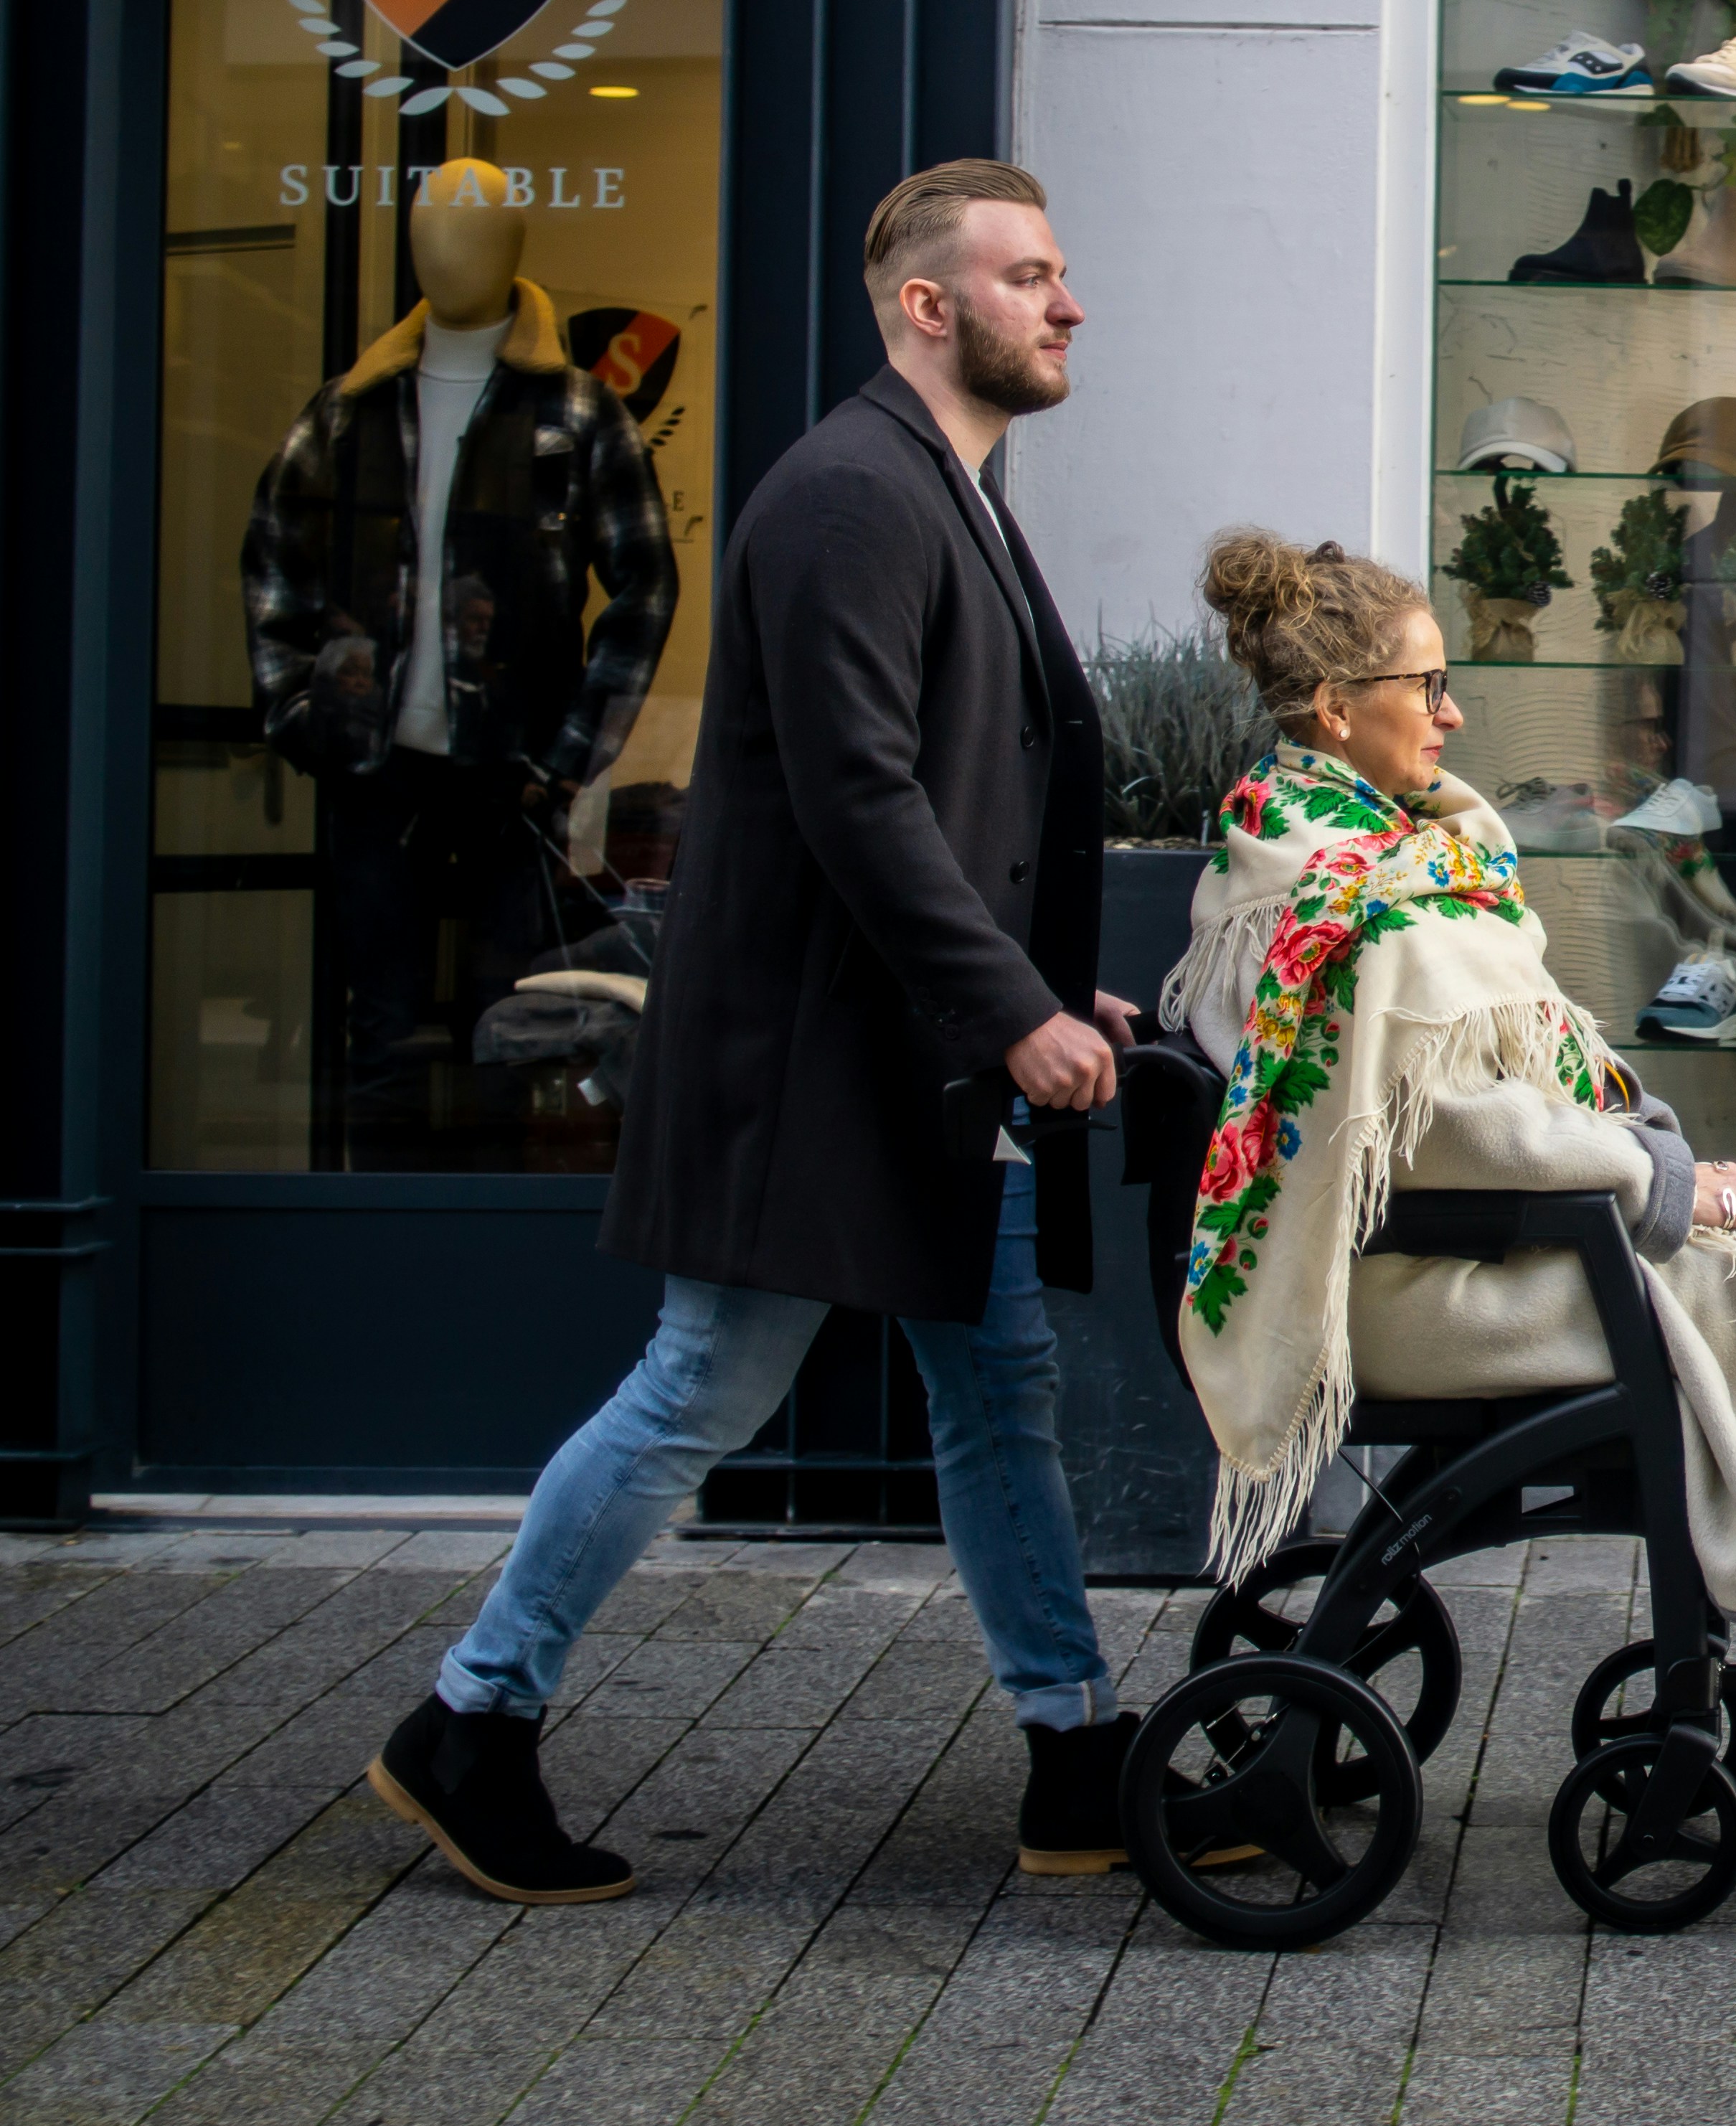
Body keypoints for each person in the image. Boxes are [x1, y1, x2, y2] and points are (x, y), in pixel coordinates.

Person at [368, 160, 1157, 1903]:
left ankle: (1076, 1749)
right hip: (819, 1063)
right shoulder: (848, 497)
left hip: (913, 1051)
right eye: (1030, 274)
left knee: (998, 1387)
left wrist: (1037, 979)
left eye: (1061, 268)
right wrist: (1006, 1002)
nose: (1068, 301)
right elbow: (860, 792)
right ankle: (472, 1719)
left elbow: (958, 784)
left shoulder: (942, 486)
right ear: (928, 306)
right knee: (699, 1389)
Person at [1166, 530, 1736, 1790]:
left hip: (1457, 1251)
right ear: (1335, 707)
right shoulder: (1347, 901)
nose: (1452, 713)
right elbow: (1462, 1133)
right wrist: (1667, 1188)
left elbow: (1480, 1105)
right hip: (1417, 1283)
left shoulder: (1337, 857)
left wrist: (1652, 1168)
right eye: (1426, 686)